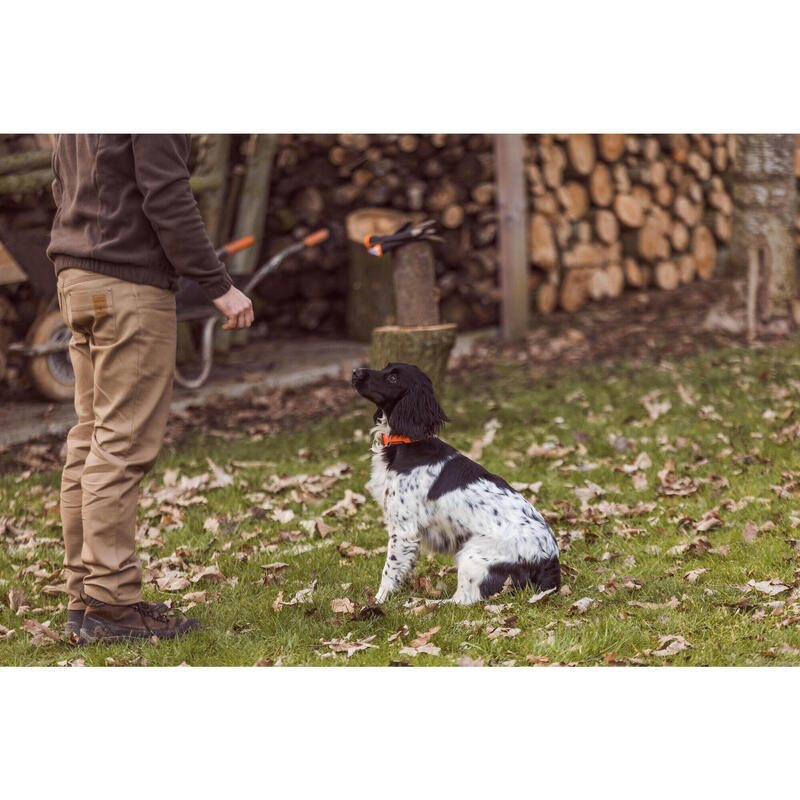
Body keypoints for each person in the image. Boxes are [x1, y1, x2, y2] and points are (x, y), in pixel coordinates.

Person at [47, 134, 254, 643]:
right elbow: (166, 195)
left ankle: (88, 598)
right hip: (127, 286)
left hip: (78, 278)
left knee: (90, 439)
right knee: (120, 445)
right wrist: (218, 285)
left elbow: (61, 184)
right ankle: (112, 604)